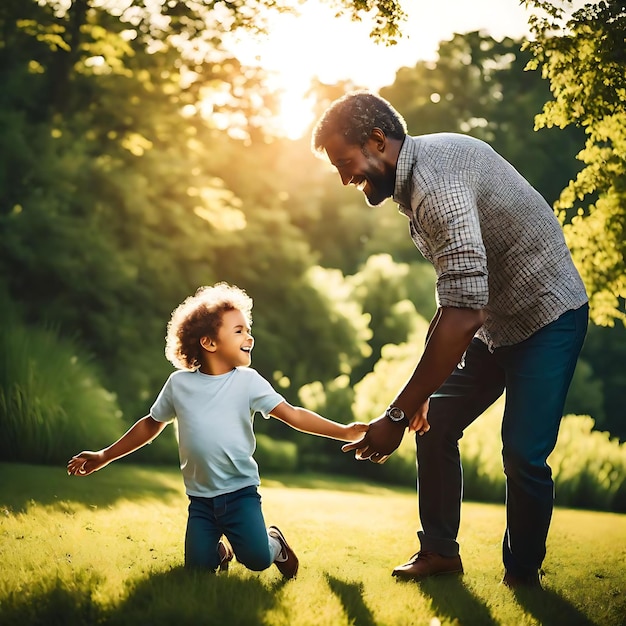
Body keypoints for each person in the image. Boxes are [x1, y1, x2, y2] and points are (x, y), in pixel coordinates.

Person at [311, 91, 589, 589]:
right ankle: (439, 553)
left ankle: (523, 578)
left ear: (377, 141)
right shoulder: (417, 181)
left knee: (522, 452)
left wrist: (397, 412)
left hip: (549, 316)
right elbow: (458, 302)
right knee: (435, 422)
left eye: (345, 162)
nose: (344, 178)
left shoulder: (437, 185)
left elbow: (462, 313)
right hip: (494, 324)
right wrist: (417, 400)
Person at [67, 282, 368, 579]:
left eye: (248, 329)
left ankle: (274, 543)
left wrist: (343, 431)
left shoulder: (248, 381)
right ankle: (220, 552)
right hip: (200, 500)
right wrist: (105, 455)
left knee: (257, 560)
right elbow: (150, 424)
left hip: (240, 494)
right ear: (209, 343)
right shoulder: (178, 385)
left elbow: (292, 415)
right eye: (239, 330)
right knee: (197, 569)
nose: (249, 336)